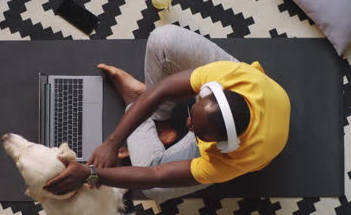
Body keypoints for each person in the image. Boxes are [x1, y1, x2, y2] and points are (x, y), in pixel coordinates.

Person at [44, 25, 291, 202]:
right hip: (245, 95)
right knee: (163, 39)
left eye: (196, 131)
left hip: (250, 146)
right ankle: (154, 116)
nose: (187, 123)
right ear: (212, 92)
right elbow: (162, 90)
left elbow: (155, 175)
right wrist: (112, 142)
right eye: (192, 114)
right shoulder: (231, 76)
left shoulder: (231, 160)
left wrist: (92, 174)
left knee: (155, 192)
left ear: (221, 144)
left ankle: (136, 102)